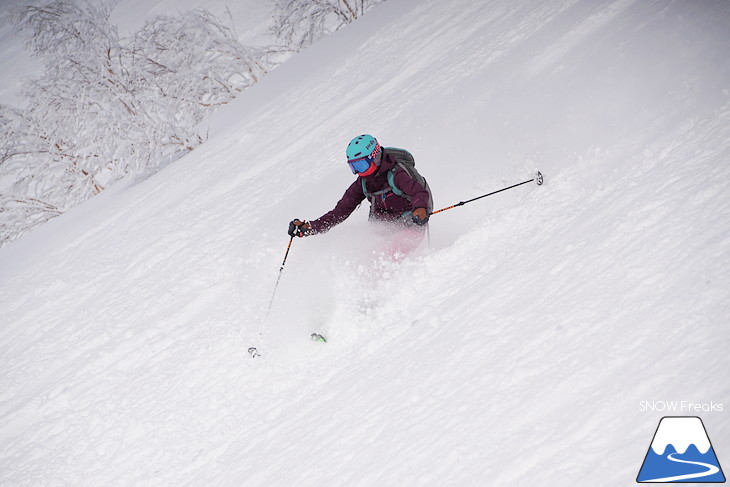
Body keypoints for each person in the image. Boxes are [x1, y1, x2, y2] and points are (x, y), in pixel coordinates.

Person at [288, 134, 433, 255]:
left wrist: (420, 208)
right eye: (354, 167)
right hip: (384, 227)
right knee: (365, 253)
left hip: (412, 222)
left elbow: (419, 192)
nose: (358, 171)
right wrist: (311, 227)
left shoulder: (397, 174)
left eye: (361, 165)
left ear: (375, 157)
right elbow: (340, 212)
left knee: (389, 254)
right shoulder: (362, 183)